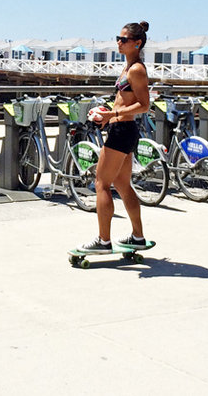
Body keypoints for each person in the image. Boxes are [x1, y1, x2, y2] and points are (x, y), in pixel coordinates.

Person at [78, 21, 151, 254]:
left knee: (101, 183)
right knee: (121, 184)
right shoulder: (128, 67)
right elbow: (125, 100)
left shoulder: (136, 70)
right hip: (122, 130)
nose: (118, 43)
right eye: (117, 38)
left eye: (124, 40)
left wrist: (113, 114)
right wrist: (105, 112)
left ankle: (103, 241)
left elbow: (144, 105)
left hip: (122, 131)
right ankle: (138, 236)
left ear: (137, 43)